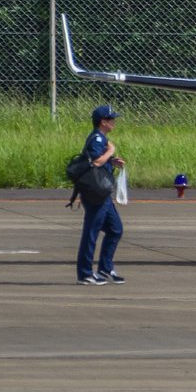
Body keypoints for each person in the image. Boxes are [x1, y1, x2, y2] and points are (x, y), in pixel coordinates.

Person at [74, 104, 126, 285]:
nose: (114, 122)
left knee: (115, 229)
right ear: (103, 122)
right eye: (111, 119)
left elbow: (99, 161)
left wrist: (112, 161)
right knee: (91, 231)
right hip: (95, 194)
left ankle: (105, 267)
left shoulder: (100, 139)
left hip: (103, 193)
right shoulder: (97, 139)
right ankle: (85, 273)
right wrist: (110, 152)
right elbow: (95, 162)